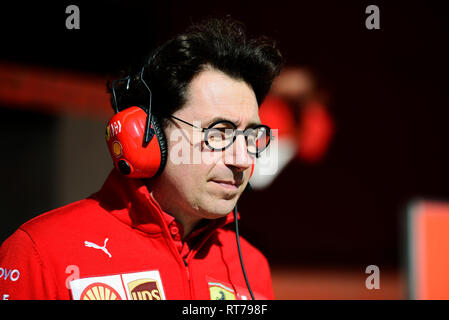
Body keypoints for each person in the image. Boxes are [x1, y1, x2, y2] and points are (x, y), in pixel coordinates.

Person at [0, 17, 283, 300]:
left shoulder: (251, 265)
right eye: (220, 133)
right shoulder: (39, 252)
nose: (243, 160)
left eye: (250, 136)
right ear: (149, 134)